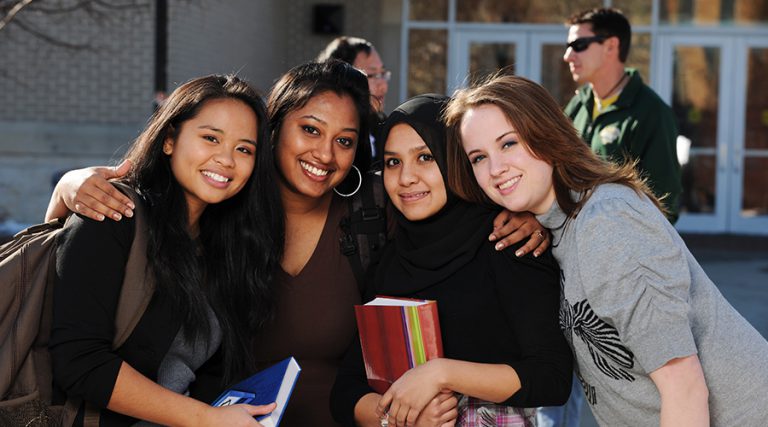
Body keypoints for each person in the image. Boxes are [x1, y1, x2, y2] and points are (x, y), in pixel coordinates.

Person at [46, 62, 550, 426]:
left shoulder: (374, 216)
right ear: (274, 131)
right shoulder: (224, 213)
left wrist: (526, 219)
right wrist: (69, 187)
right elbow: (78, 310)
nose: (324, 153)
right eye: (309, 129)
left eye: (345, 140)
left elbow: (444, 200)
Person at [444, 74, 768, 427]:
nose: (495, 169)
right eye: (478, 157)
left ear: (547, 134)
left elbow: (684, 386)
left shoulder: (607, 221)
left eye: (508, 143)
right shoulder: (555, 226)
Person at [50, 74, 284, 426]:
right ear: (170, 139)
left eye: (244, 149)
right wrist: (205, 419)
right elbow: (79, 361)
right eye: (211, 138)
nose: (226, 159)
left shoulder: (226, 247)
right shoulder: (115, 214)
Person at [330, 94, 573, 427]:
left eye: (425, 157)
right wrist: (400, 419)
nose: (406, 177)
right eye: (392, 162)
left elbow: (552, 377)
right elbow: (346, 390)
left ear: (454, 161)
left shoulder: (508, 241)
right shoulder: (390, 262)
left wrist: (441, 374)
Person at [563, 8, 682, 223]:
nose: (568, 56)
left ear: (611, 46)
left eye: (579, 45)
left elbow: (663, 203)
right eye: (568, 46)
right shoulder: (577, 106)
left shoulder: (652, 113)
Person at [317, 36, 390, 164]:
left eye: (383, 74)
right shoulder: (321, 130)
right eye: (372, 75)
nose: (383, 85)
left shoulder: (384, 127)